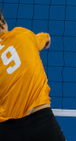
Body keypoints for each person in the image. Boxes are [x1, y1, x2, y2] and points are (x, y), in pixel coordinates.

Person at [0, 10, 66, 141]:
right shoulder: (22, 35)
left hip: (6, 131)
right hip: (41, 121)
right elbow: (45, 38)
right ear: (2, 24)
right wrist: (46, 38)